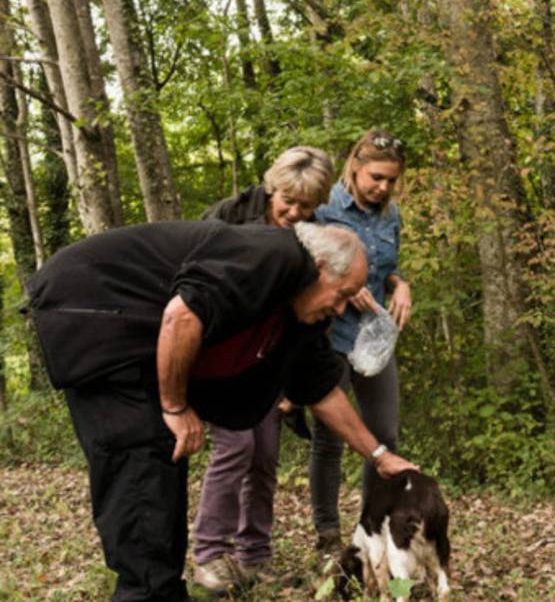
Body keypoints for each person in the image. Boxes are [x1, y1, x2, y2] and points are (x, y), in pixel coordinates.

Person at [25, 220, 416, 602]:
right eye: (344, 294)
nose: (343, 308)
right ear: (318, 269)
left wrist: (379, 457)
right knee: (139, 454)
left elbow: (322, 390)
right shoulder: (274, 256)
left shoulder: (300, 316)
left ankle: (161, 588)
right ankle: (145, 591)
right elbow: (182, 314)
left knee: (164, 458)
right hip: (96, 311)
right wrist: (175, 406)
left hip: (132, 335)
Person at [191, 147, 334, 593]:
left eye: (305, 207)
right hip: (217, 354)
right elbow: (192, 285)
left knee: (265, 455)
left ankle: (254, 558)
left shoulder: (313, 236)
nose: (294, 213)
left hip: (267, 357)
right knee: (234, 447)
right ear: (270, 188)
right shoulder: (227, 217)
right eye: (286, 202)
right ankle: (210, 555)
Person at [309, 129, 413, 555]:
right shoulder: (323, 208)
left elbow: (386, 268)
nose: (383, 187)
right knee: (330, 437)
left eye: (391, 180)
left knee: (384, 434)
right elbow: (300, 267)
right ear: (354, 165)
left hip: (373, 338)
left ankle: (371, 529)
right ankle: (328, 535)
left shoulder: (392, 217)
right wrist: (343, 287)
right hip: (330, 334)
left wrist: (400, 283)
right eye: (376, 177)